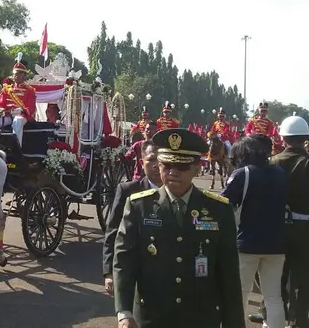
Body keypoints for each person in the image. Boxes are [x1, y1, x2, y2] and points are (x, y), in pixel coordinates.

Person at [113, 128, 245, 328]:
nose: (173, 172)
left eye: (182, 166)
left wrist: (233, 323)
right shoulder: (139, 206)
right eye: (167, 165)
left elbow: (228, 273)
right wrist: (124, 312)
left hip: (200, 318)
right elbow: (124, 260)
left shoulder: (219, 209)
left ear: (196, 168)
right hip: (153, 316)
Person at [223, 135, 288, 328]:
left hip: (246, 243)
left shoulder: (243, 173)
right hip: (276, 243)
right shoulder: (280, 173)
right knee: (274, 296)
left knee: (240, 294)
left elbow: (224, 202)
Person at [103, 139, 161, 295]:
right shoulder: (128, 191)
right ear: (142, 163)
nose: (156, 165)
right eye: (151, 160)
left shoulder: (176, 193)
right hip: (135, 272)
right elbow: (113, 231)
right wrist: (108, 272)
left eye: (161, 160)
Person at [270, 115, 309, 327]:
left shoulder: (272, 162)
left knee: (276, 276)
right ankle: (300, 320)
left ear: (283, 138)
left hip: (278, 227)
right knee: (302, 278)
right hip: (305, 228)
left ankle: (273, 317)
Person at [0, 53, 37, 147]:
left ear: (23, 75)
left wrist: (21, 110)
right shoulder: (7, 89)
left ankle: (16, 148)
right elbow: (0, 105)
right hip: (7, 116)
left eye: (18, 74)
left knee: (17, 121)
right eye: (14, 74)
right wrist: (0, 110)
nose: (15, 76)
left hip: (22, 117)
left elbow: (31, 109)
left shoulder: (30, 90)